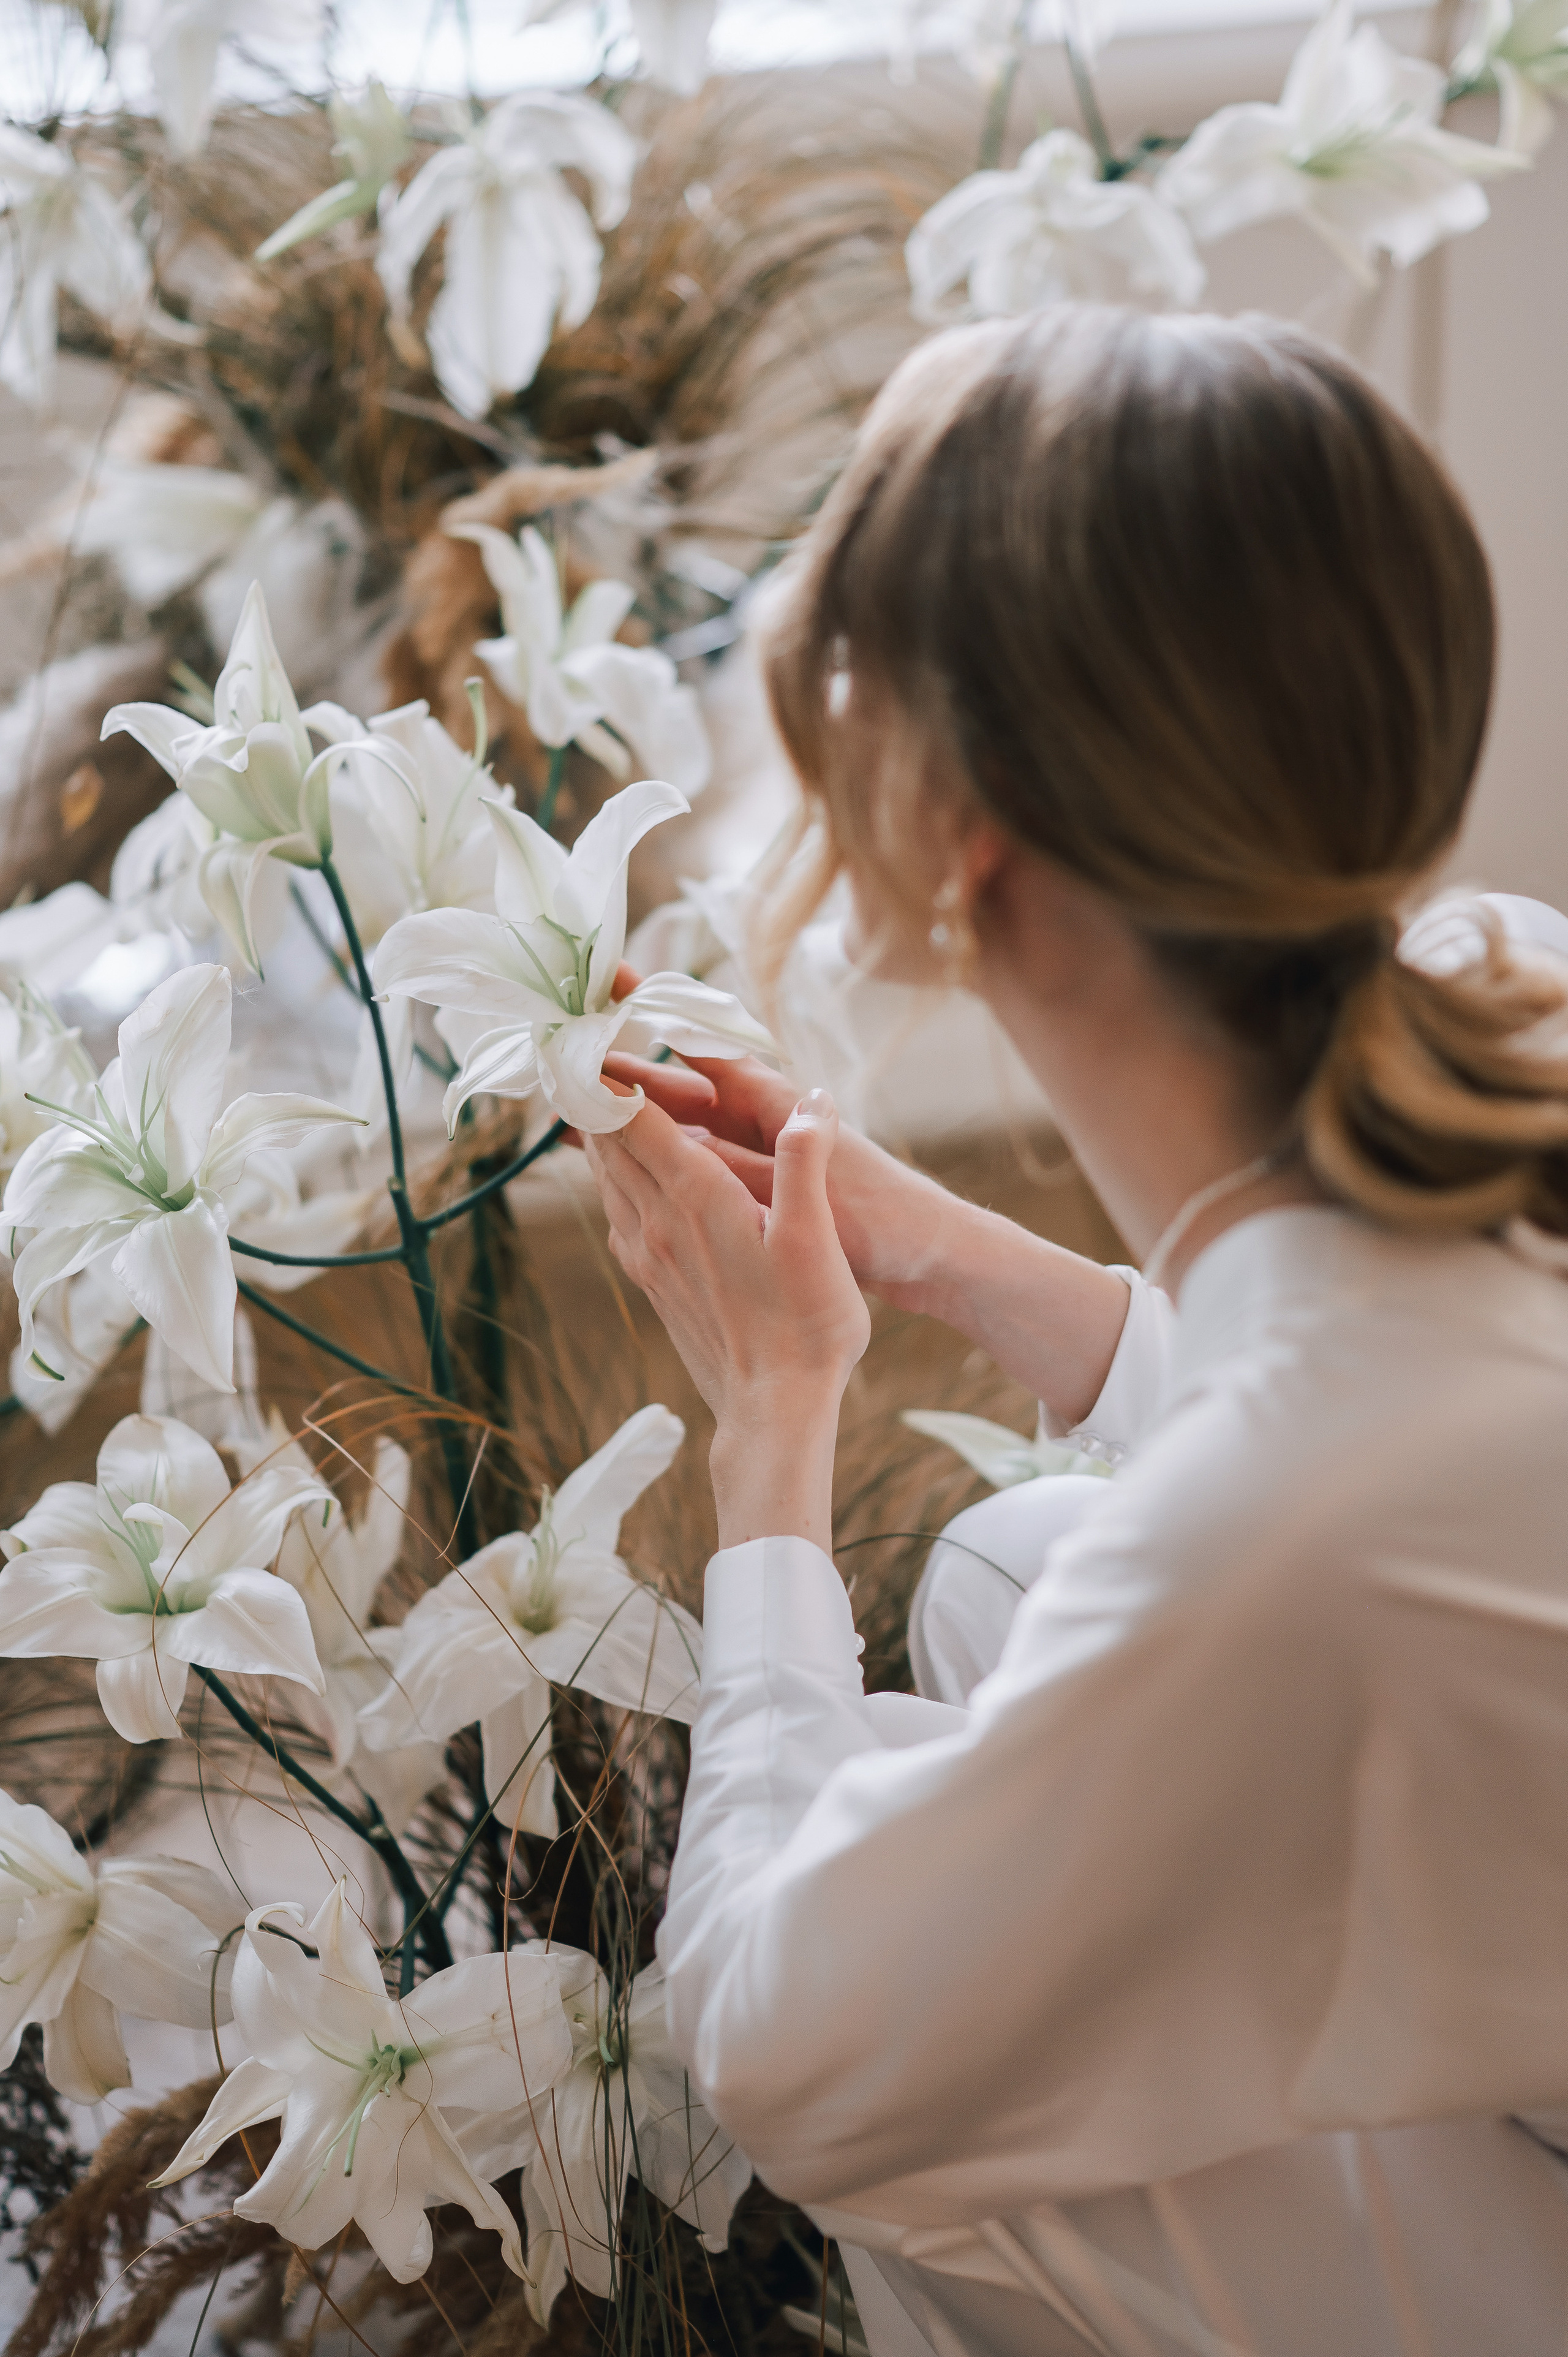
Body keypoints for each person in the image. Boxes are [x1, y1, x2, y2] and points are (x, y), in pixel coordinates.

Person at [576, 306, 1568, 2357]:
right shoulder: (1513, 984)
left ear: (963, 826)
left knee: (930, 2064)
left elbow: (784, 2047)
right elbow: (1404, 1433)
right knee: (1005, 1572)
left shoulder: (1284, 1538)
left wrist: (774, 1424)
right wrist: (955, 1262)